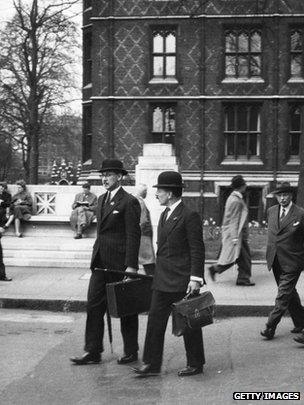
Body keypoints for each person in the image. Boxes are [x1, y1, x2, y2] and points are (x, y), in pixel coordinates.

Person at [133, 171, 205, 378]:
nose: (157, 194)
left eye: (160, 190)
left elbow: (197, 249)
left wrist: (195, 279)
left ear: (171, 193)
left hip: (183, 280)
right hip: (163, 279)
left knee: (189, 322)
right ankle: (152, 364)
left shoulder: (189, 215)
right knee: (155, 321)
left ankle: (196, 363)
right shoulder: (165, 214)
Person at [70, 159, 141, 365]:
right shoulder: (100, 200)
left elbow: (133, 235)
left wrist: (131, 266)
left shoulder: (129, 201)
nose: (104, 178)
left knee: (126, 308)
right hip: (100, 263)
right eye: (102, 175)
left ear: (119, 176)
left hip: (120, 264)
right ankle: (92, 351)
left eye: (108, 175)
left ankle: (131, 350)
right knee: (93, 306)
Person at [261, 182, 304, 340]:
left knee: (283, 294)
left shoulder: (300, 213)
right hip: (275, 259)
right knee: (289, 293)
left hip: (293, 261)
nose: (283, 198)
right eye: (279, 195)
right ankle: (301, 322)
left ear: (291, 195)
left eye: (285, 195)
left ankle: (270, 326)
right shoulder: (271, 211)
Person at [208, 175, 255, 286]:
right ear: (241, 186)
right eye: (244, 184)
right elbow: (234, 220)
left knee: (238, 257)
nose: (246, 186)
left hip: (236, 234)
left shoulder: (234, 198)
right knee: (242, 257)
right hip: (236, 235)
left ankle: (241, 278)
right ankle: (218, 270)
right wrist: (235, 238)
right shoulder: (235, 200)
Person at [134, 183, 155, 276]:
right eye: (145, 191)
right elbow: (143, 221)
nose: (146, 193)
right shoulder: (140, 202)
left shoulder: (137, 201)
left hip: (142, 235)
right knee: (148, 261)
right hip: (143, 236)